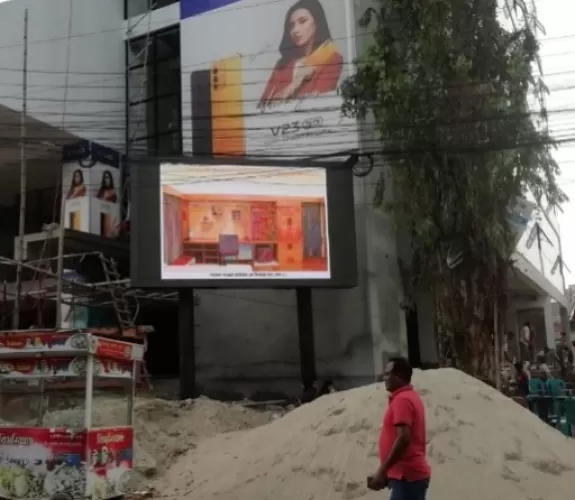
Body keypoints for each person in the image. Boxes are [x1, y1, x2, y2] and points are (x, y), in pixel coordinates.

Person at [258, 0, 343, 108]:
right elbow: (262, 106)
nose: (295, 30)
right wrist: (295, 83)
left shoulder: (331, 58)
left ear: (317, 22)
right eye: (292, 25)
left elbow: (316, 103)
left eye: (302, 21)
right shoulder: (282, 64)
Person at [368, 357, 430, 499]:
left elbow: (403, 438)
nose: (384, 378)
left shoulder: (402, 400)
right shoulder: (408, 397)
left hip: (406, 477)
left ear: (400, 376)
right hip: (406, 476)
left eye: (388, 374)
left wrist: (383, 471)